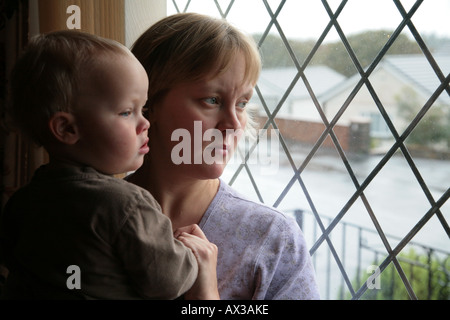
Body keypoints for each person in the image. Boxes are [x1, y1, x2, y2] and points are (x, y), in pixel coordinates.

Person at [0, 30, 218, 300]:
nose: (144, 123)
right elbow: (170, 281)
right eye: (127, 112)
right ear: (67, 128)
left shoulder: (23, 201)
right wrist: (191, 255)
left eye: (144, 110)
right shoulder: (125, 204)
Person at [129, 13, 320, 300]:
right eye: (212, 100)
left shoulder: (273, 239)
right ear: (148, 104)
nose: (233, 124)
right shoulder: (86, 214)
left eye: (242, 103)